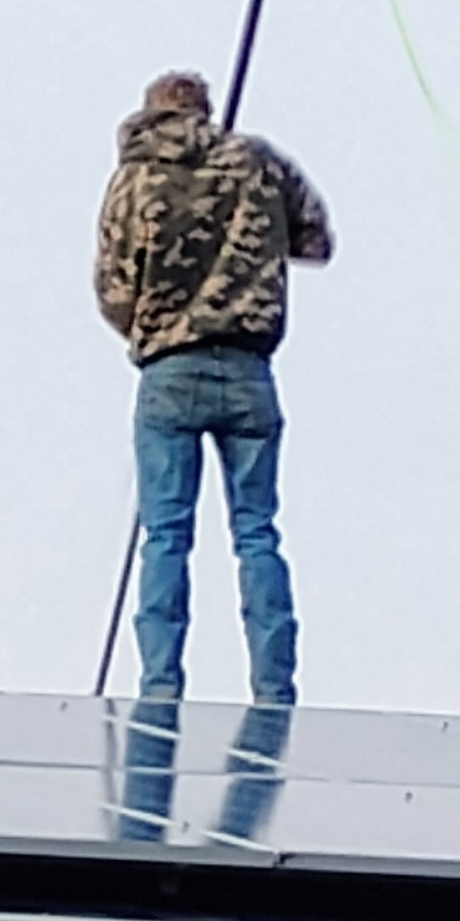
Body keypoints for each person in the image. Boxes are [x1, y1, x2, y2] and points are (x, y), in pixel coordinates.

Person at [95, 70, 334, 705]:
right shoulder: (257, 161)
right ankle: (275, 686)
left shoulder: (133, 180)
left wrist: (153, 321)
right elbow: (316, 240)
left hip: (170, 370)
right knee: (257, 530)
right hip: (250, 370)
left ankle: (161, 686)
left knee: (167, 533)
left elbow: (113, 291)